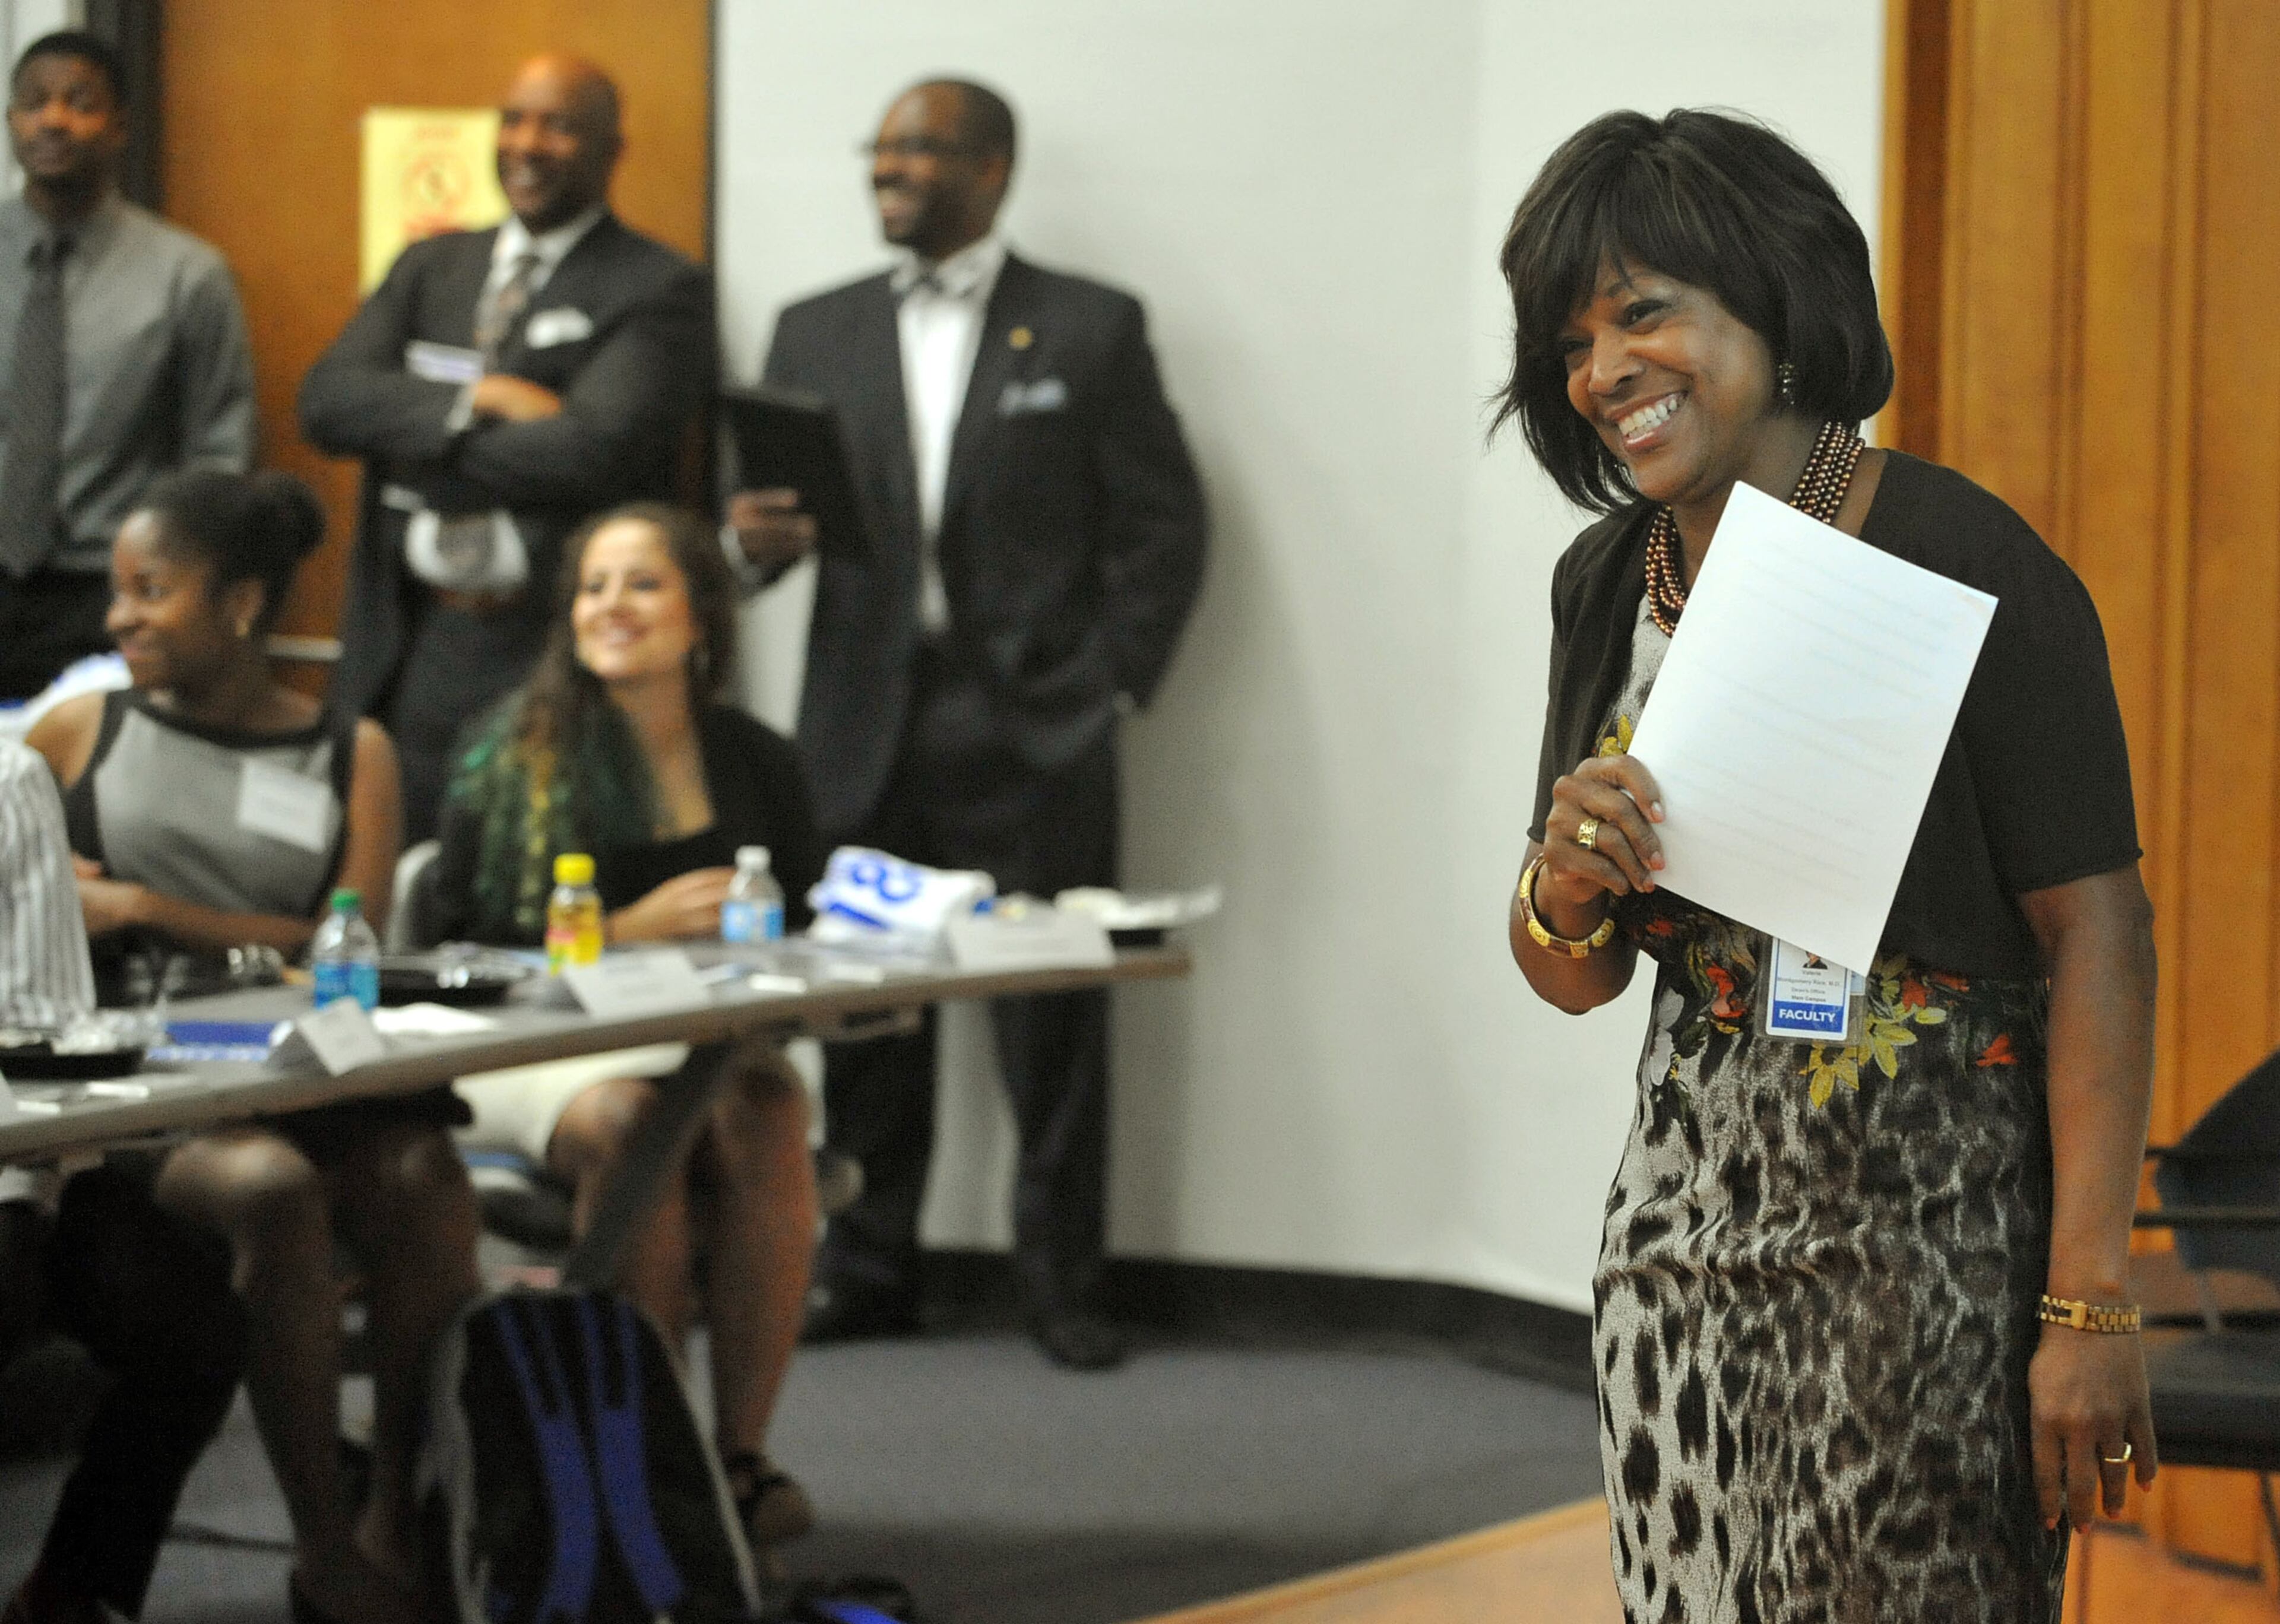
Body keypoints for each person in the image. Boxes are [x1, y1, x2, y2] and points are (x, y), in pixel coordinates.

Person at [1497, 110, 2156, 1620]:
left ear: (1774, 306)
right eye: (1571, 338)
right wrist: (1563, 884)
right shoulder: (1607, 579)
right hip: (1676, 1232)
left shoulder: (1962, 556)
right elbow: (1567, 972)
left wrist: (2084, 1296)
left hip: (1923, 1244)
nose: (1601, 371)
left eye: (1642, 311)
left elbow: (2098, 933)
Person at [729, 78, 1207, 1371]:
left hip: (1035, 722)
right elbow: (768, 526)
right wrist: (747, 545)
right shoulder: (811, 329)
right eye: (879, 148)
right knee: (874, 1005)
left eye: (920, 149)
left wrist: (1108, 679)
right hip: (861, 716)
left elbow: (1166, 523)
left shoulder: (1089, 329)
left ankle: (1064, 1286)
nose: (890, 168)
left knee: (1052, 1016)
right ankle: (873, 1266)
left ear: (992, 167)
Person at [27, 470, 480, 1624]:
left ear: (238, 604)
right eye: (119, 592)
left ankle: (406, 1521)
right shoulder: (81, 731)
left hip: (306, 1055)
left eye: (151, 590)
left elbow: (348, 938)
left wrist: (140, 910)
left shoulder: (350, 748)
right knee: (273, 1194)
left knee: (426, 1183)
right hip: (142, 1078)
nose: (119, 616)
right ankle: (326, 1549)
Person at [430, 501, 826, 1557]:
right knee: (635, 1119)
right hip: (536, 1050)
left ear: (704, 614)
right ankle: (651, 1457)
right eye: (594, 586)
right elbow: (452, 943)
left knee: (765, 1101)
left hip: (705, 1038)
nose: (613, 607)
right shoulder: (510, 754)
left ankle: (736, 1457)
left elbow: (814, 920)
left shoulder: (759, 761)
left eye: (643, 583)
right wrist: (619, 932)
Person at [299, 53, 714, 841]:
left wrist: (410, 442)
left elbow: (598, 451)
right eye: (514, 119)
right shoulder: (432, 267)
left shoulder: (658, 287)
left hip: (547, 646)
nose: (528, 143)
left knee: (526, 880)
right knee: (409, 874)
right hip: (416, 641)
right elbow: (327, 405)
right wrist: (476, 403)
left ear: (610, 151)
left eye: (559, 125)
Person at [0, 738, 249, 1624]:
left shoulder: (8, 778)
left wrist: (30, 1205)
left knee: (194, 1321)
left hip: (20, 1165)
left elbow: (45, 1041)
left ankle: (71, 1592)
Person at [0, 29, 255, 701]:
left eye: (79, 102)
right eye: (34, 102)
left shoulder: (186, 277)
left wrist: (175, 600)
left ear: (118, 127)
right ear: (10, 121)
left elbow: (217, 457)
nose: (53, 119)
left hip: (110, 600)